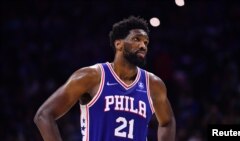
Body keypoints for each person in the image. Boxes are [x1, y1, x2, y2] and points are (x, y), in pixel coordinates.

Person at [34, 16, 176, 141]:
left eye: (146, 42)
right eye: (136, 39)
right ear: (118, 44)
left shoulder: (153, 84)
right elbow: (44, 116)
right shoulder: (91, 76)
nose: (142, 46)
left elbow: (167, 122)